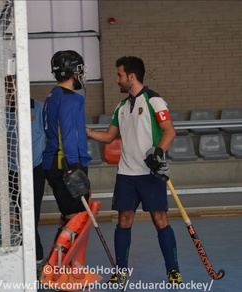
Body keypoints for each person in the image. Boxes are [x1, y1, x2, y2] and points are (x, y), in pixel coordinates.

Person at [86, 56, 182, 284]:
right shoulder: (120, 107)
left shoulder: (154, 101)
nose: (117, 80)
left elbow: (169, 131)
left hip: (150, 174)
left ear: (131, 76)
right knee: (124, 220)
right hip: (126, 175)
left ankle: (173, 271)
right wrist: (87, 132)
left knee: (160, 220)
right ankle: (121, 273)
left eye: (120, 75)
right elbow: (109, 136)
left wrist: (159, 152)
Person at [0, 75, 46, 266]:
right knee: (21, 213)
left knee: (33, 215)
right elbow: (1, 140)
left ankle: (36, 255)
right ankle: (33, 255)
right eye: (9, 89)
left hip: (35, 170)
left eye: (15, 87)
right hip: (13, 171)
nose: (11, 92)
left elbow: (47, 136)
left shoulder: (39, 108)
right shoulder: (5, 112)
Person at [43, 50, 91, 218]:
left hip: (54, 163)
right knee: (76, 218)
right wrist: (73, 166)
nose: (81, 74)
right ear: (71, 71)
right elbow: (68, 133)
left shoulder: (52, 96)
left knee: (68, 216)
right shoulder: (71, 99)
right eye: (79, 69)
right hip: (67, 164)